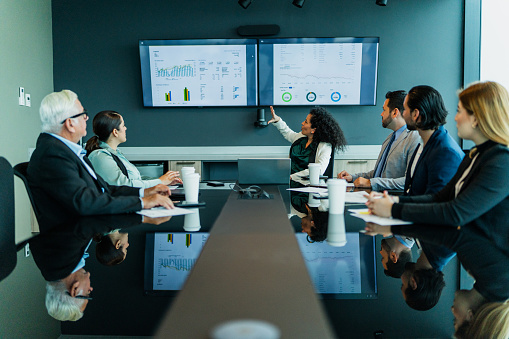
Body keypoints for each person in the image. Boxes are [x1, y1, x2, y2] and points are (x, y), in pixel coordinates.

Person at [366, 81, 509, 256]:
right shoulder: (475, 154)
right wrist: (394, 202)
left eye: (459, 111)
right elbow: (440, 197)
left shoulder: (501, 163)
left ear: (477, 117)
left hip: (493, 272)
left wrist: (392, 210)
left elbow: (455, 213)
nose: (455, 118)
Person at [27, 90, 174, 231]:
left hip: (80, 236)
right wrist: (143, 203)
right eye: (83, 114)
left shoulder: (64, 151)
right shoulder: (54, 155)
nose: (87, 118)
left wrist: (145, 192)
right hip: (66, 246)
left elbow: (104, 189)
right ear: (70, 123)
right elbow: (86, 202)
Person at [338, 90, 420, 191]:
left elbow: (409, 181)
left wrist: (371, 182)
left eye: (384, 110)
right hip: (375, 197)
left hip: (392, 200)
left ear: (395, 112)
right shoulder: (389, 139)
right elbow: (379, 173)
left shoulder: (414, 138)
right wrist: (352, 177)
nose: (381, 114)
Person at [85, 111, 182, 188]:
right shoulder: (100, 156)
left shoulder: (116, 153)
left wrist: (163, 181)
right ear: (115, 132)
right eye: (123, 125)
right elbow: (126, 185)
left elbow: (136, 179)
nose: (126, 128)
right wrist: (160, 181)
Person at [400, 85, 464, 196]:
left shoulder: (445, 152)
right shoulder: (424, 143)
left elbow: (435, 202)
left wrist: (394, 204)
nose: (402, 114)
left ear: (416, 114)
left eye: (404, 109)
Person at [268, 106, 347, 183]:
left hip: (308, 187)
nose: (302, 123)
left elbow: (319, 170)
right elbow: (288, 134)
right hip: (290, 183)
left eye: (306, 122)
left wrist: (292, 177)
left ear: (313, 130)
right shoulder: (302, 137)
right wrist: (278, 121)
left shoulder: (325, 146)